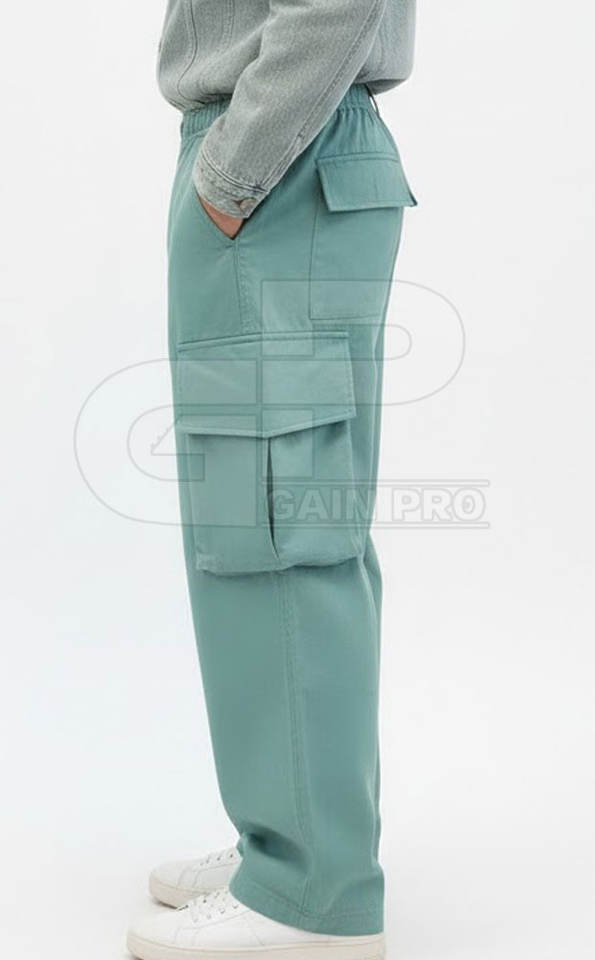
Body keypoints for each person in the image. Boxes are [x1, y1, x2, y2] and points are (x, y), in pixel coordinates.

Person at [127, 3, 417, 959]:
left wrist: (233, 172)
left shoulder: (252, 161)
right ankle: (287, 839)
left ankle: (310, 888)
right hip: (288, 153)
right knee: (274, 515)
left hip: (278, 158)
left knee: (279, 521)